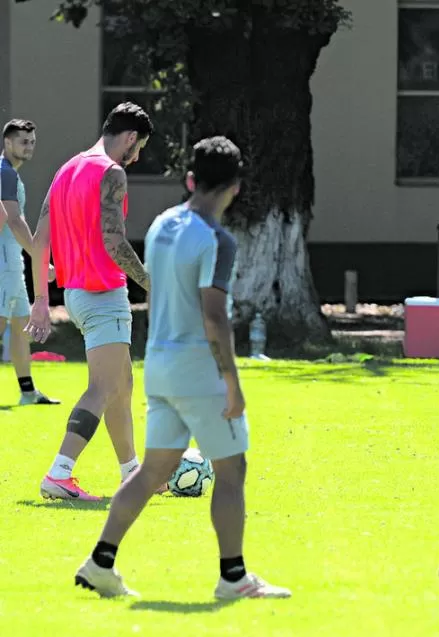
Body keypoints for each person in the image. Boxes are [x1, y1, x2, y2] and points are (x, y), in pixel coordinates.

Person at [74, 136, 291, 600]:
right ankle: (233, 578)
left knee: (153, 471)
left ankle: (99, 562)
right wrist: (232, 382)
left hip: (160, 365)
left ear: (191, 179)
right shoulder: (217, 239)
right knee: (232, 471)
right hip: (197, 371)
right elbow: (214, 316)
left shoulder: (160, 226)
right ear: (234, 186)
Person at [26, 102, 154, 501]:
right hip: (102, 295)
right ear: (130, 138)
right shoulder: (111, 172)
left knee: (122, 384)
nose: (136, 158)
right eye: (139, 148)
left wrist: (42, 300)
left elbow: (39, 239)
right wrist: (153, 283)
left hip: (76, 295)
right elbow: (114, 243)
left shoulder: (66, 170)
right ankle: (60, 473)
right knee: (102, 387)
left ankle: (131, 473)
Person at [0, 119, 58, 404]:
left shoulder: (9, 173)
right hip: (4, 265)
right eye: (23, 141)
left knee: (22, 327)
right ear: (7, 142)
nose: (29, 147)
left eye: (32, 142)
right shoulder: (5, 173)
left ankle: (28, 392)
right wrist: (39, 255)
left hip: (12, 264)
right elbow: (13, 220)